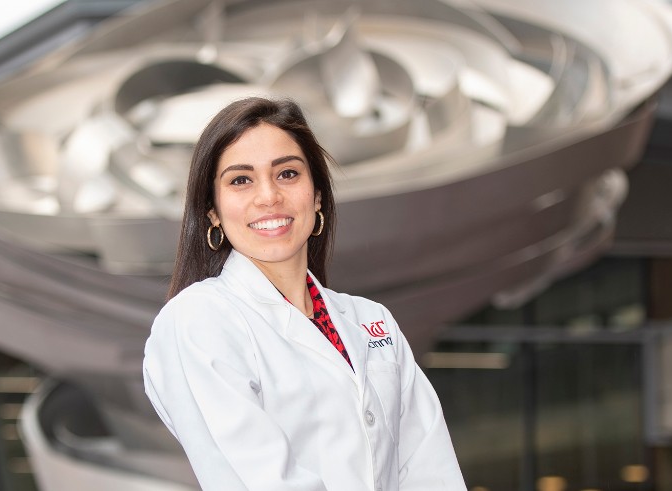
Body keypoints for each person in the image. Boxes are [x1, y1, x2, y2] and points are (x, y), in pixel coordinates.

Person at [142, 97, 467, 491]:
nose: (268, 196)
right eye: (241, 180)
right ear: (212, 210)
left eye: (287, 174)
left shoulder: (371, 320)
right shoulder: (198, 319)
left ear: (316, 196)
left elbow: (431, 469)